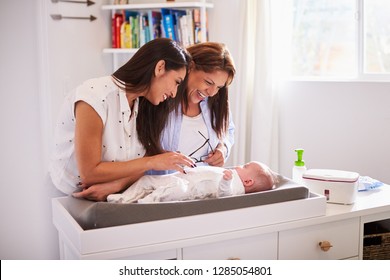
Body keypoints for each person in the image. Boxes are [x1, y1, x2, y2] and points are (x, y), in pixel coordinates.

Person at [49, 38, 195, 201]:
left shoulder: (143, 106)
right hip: (65, 198)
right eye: (176, 82)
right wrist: (152, 162)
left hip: (108, 197)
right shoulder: (94, 97)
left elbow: (136, 165)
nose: (174, 93)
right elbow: (89, 173)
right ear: (160, 67)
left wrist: (116, 185)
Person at [148, 42, 236, 175]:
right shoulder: (160, 97)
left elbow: (228, 130)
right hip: (161, 189)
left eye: (218, 87)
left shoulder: (217, 103)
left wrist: (223, 148)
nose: (211, 92)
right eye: (208, 82)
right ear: (190, 67)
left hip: (203, 188)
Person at [107, 161, 279, 203]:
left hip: (187, 188)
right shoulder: (231, 173)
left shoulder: (234, 186)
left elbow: (224, 196)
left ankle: (144, 202)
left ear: (248, 181)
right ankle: (122, 198)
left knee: (166, 190)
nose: (240, 165)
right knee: (147, 179)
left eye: (245, 166)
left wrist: (226, 181)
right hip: (182, 176)